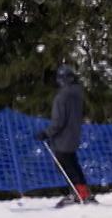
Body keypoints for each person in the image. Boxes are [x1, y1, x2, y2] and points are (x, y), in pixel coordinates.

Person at [34, 64, 92, 206]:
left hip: (62, 139)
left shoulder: (62, 97)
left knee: (66, 166)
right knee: (73, 164)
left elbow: (58, 121)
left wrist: (46, 133)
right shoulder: (77, 95)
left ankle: (77, 194)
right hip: (73, 136)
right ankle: (83, 192)